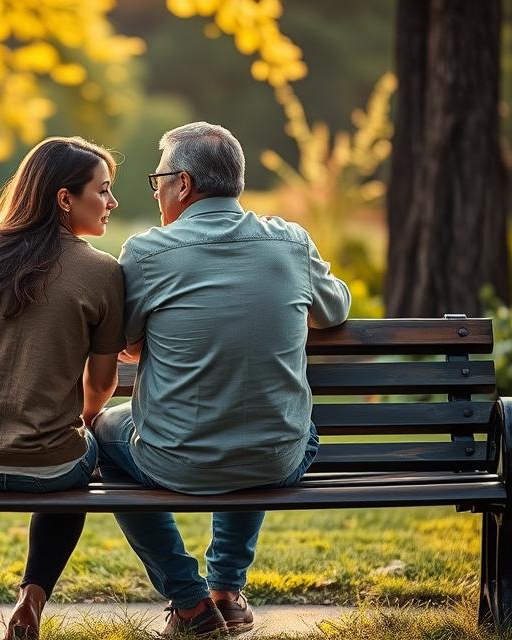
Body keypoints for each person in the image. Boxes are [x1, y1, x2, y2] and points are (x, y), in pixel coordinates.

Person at [91, 122, 351, 637]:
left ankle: (189, 601)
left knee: (101, 432)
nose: (157, 190)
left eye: (157, 179)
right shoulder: (291, 242)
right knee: (258, 416)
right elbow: (335, 308)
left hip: (173, 460)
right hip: (280, 458)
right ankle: (227, 591)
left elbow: (126, 343)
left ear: (182, 184)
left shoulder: (146, 253)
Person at [0, 137, 125, 640]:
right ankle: (31, 602)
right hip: (51, 469)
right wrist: (73, 420)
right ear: (65, 199)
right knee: (83, 463)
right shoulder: (103, 273)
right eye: (102, 191)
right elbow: (102, 384)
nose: (111, 202)